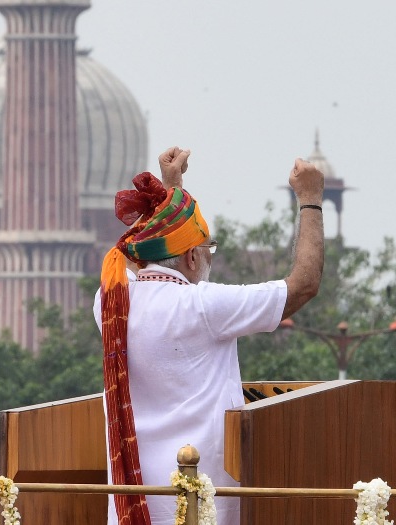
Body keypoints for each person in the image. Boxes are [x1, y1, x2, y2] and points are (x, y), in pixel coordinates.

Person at [93, 147, 324, 525]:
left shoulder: (110, 302)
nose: (210, 259)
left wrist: (172, 189)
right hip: (197, 508)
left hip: (130, 505)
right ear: (192, 259)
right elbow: (303, 285)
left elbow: (150, 254)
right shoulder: (203, 306)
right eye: (208, 249)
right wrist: (311, 200)